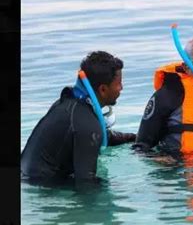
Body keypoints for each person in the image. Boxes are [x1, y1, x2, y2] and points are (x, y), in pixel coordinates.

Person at [21, 51, 136, 183]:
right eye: (119, 83)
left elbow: (97, 135)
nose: (121, 88)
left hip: (27, 177)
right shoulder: (87, 124)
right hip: (43, 189)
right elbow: (86, 184)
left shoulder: (68, 105)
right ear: (103, 89)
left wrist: (132, 138)